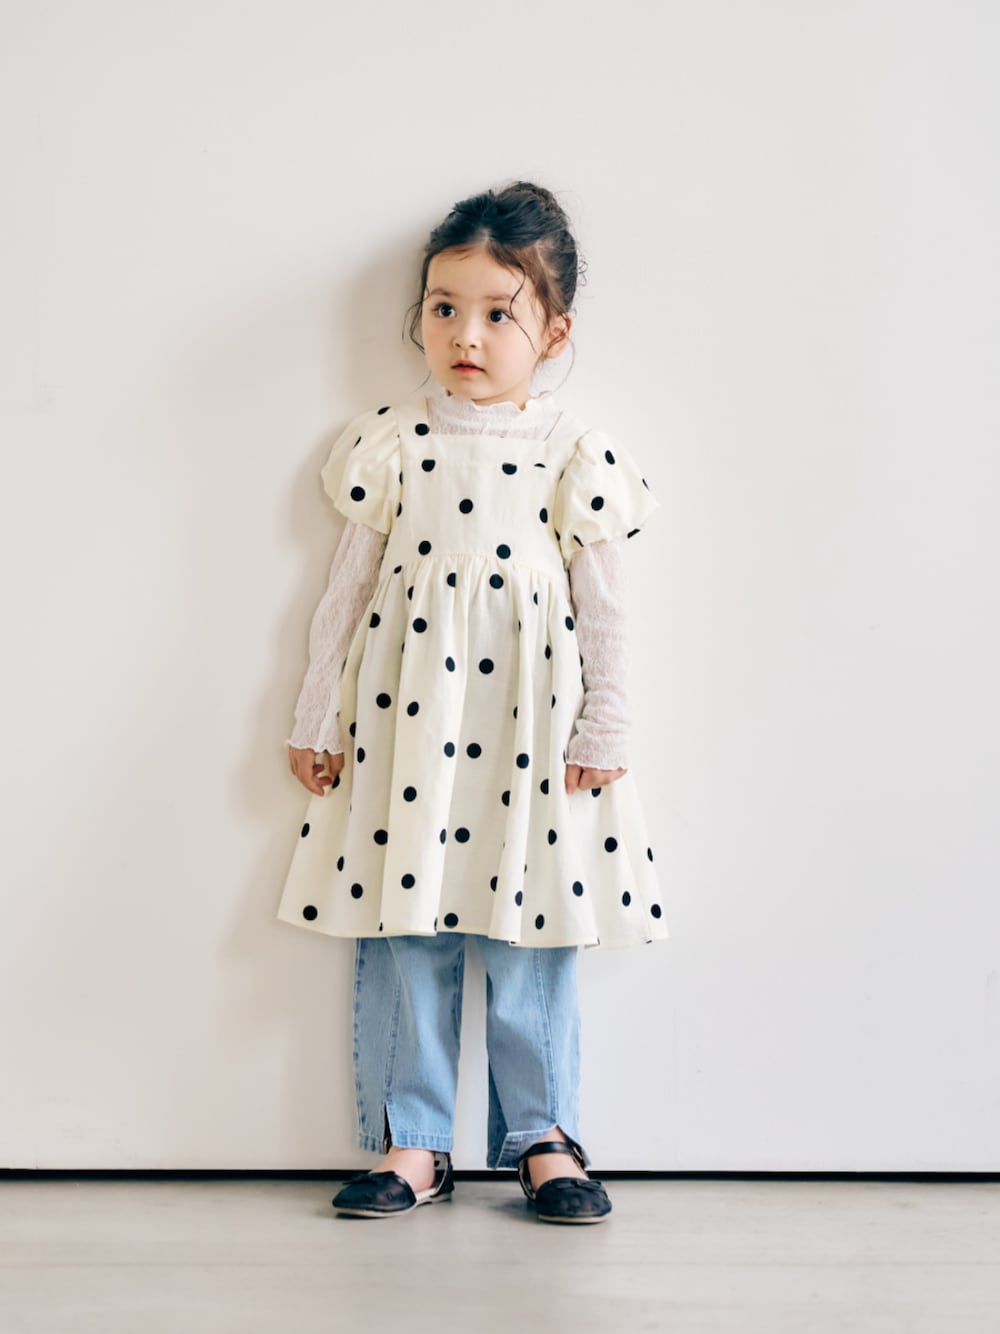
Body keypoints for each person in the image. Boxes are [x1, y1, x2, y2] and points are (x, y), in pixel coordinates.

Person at [278, 181, 669, 1224]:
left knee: (534, 925)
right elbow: (344, 596)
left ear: (553, 333)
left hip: (532, 730)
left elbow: (605, 608)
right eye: (445, 308)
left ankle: (542, 1135)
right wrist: (317, 715)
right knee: (403, 922)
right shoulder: (391, 440)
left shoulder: (570, 450)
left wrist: (607, 722)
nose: (466, 334)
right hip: (408, 724)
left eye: (499, 312)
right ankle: (414, 1140)